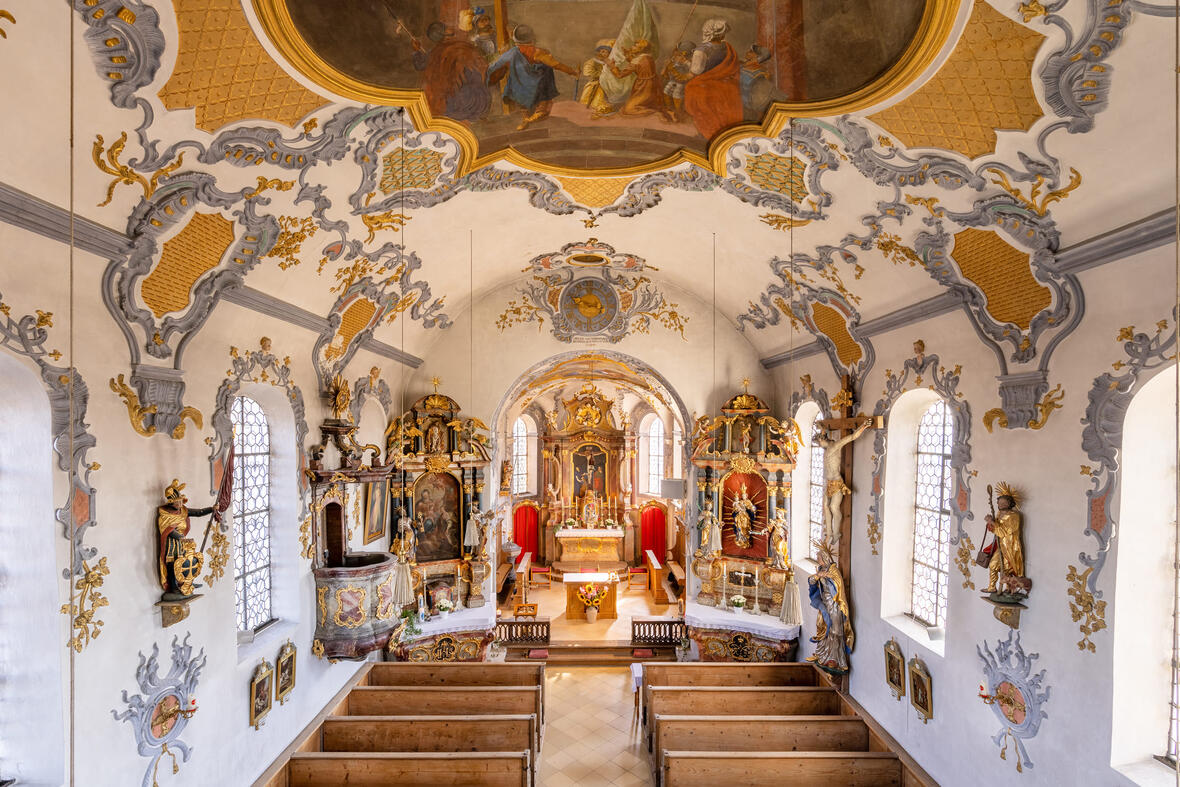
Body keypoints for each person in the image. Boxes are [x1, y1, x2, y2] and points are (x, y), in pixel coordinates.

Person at [487, 24, 578, 130]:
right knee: (546, 69)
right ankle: (539, 111)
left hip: (520, 89)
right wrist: (572, 71)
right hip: (536, 88)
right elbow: (556, 64)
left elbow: (495, 66)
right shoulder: (538, 52)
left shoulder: (511, 53)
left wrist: (487, 78)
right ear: (532, 39)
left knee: (518, 83)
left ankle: (528, 117)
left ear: (515, 40)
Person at [410, 22, 490, 123]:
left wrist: (416, 50)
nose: (450, 27)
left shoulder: (436, 53)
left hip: (456, 104)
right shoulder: (459, 48)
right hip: (474, 101)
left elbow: (420, 64)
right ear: (444, 36)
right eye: (446, 28)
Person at [157, 479, 219, 600]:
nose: (180, 504)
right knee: (172, 564)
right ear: (171, 503)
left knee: (186, 562)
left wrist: (212, 509)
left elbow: (198, 512)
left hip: (183, 543)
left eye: (180, 501)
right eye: (177, 502)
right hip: (172, 544)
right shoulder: (165, 515)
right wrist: (181, 538)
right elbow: (167, 530)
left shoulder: (183, 511)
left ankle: (187, 582)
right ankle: (174, 587)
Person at [817, 417, 872, 545]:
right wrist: (822, 428)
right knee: (825, 506)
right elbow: (824, 432)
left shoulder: (835, 446)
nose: (819, 445)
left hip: (837, 482)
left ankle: (836, 533)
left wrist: (863, 426)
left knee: (833, 507)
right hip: (829, 482)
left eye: (819, 442)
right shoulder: (826, 447)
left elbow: (852, 437)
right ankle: (829, 532)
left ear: (822, 440)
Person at [683, 19, 742, 139]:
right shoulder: (728, 47)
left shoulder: (701, 50)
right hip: (727, 83)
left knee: (690, 88)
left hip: (706, 84)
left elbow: (695, 72)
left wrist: (684, 63)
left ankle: (705, 128)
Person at [806, 542, 854, 675]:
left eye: (819, 557)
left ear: (825, 557)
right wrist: (818, 576)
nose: (818, 560)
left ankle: (836, 660)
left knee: (836, 631)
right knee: (823, 628)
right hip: (825, 604)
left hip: (834, 605)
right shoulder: (821, 570)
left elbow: (837, 583)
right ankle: (823, 655)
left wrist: (826, 577)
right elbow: (811, 581)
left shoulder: (833, 571)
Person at [608, 39, 672, 119]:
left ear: (640, 49)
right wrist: (628, 55)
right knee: (636, 105)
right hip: (654, 85)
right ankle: (653, 109)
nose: (632, 47)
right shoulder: (648, 57)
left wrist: (612, 66)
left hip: (644, 88)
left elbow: (620, 75)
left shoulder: (637, 61)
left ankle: (655, 113)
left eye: (635, 46)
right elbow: (639, 65)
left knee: (628, 110)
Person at [985, 490, 1025, 594]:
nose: (1001, 505)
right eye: (1000, 503)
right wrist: (991, 524)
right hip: (1001, 545)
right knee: (993, 565)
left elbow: (1003, 532)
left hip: (1010, 547)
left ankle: (1009, 589)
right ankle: (992, 587)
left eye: (1004, 503)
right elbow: (996, 531)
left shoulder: (1014, 516)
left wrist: (992, 522)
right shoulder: (999, 514)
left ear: (1010, 503)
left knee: (1007, 569)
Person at [580, 40, 616, 118]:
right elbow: (588, 72)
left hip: (608, 84)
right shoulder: (592, 62)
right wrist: (602, 75)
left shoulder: (609, 63)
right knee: (596, 101)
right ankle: (597, 110)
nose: (601, 53)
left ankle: (606, 109)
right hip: (595, 84)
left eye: (604, 52)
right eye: (601, 51)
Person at [661, 42, 694, 122]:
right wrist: (666, 65)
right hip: (672, 81)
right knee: (666, 93)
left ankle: (678, 113)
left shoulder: (689, 63)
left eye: (679, 54)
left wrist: (683, 63)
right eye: (677, 54)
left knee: (677, 96)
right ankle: (670, 111)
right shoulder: (674, 60)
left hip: (681, 83)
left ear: (685, 55)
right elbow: (664, 73)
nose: (676, 56)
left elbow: (689, 73)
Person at [740, 44, 774, 118]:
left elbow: (759, 99)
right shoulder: (742, 66)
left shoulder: (761, 74)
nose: (747, 52)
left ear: (756, 57)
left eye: (751, 51)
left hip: (747, 109)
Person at [731, 483, 757, 548]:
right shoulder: (740, 502)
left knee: (745, 527)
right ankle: (740, 539)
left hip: (745, 518)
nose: (743, 496)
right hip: (739, 517)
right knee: (739, 528)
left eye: (744, 495)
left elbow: (752, 509)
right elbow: (735, 510)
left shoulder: (748, 502)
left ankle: (745, 540)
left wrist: (751, 509)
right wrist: (737, 510)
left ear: (746, 495)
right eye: (742, 495)